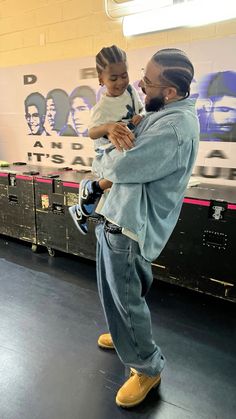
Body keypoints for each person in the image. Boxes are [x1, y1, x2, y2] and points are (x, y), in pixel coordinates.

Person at [91, 48, 199, 408]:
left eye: (148, 82)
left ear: (169, 91)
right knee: (112, 292)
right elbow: (126, 150)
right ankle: (124, 336)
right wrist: (121, 130)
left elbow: (118, 169)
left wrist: (105, 145)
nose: (137, 84)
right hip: (117, 215)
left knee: (127, 298)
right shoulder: (162, 111)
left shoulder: (173, 127)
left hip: (131, 227)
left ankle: (147, 366)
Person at [69, 45, 144, 233]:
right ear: (101, 80)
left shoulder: (130, 92)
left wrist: (140, 115)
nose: (120, 82)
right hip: (107, 152)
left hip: (126, 146)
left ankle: (83, 207)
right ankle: (92, 188)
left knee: (132, 172)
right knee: (126, 171)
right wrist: (108, 126)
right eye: (113, 78)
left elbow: (140, 109)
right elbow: (91, 132)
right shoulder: (102, 108)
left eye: (124, 75)